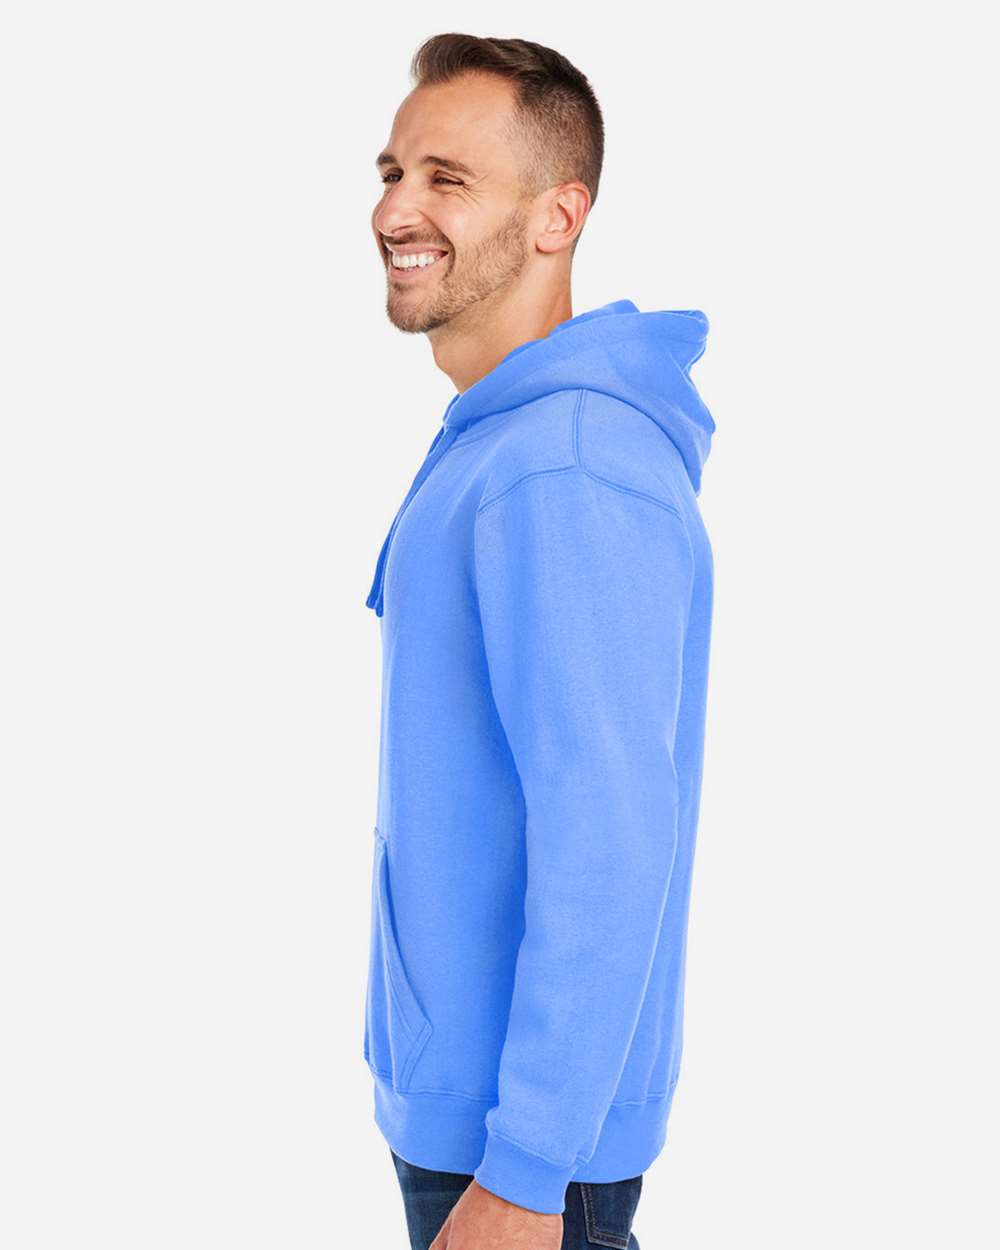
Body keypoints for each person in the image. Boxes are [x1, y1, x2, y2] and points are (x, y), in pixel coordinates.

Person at [363, 32, 716, 1250]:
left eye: (446, 178)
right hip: (483, 1120)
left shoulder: (562, 466)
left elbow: (610, 834)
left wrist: (523, 1170)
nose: (395, 208)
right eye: (392, 171)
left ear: (558, 215)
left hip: (521, 1157)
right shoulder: (504, 445)